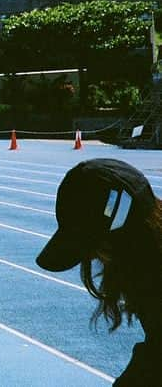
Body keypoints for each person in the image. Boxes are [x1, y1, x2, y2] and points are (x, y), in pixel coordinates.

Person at [36, 158, 162, 385]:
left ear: (126, 238)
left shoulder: (152, 284)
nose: (95, 258)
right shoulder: (147, 265)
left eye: (96, 247)